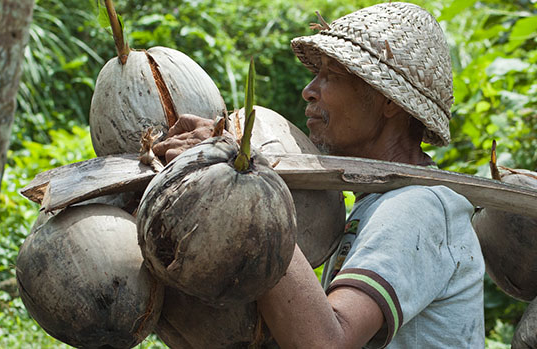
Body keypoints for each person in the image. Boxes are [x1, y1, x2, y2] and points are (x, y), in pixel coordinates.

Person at [154, 2, 485, 348]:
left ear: (389, 103)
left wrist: (244, 187)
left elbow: (325, 342)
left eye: (332, 75)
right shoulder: (378, 205)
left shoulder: (416, 207)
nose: (309, 90)